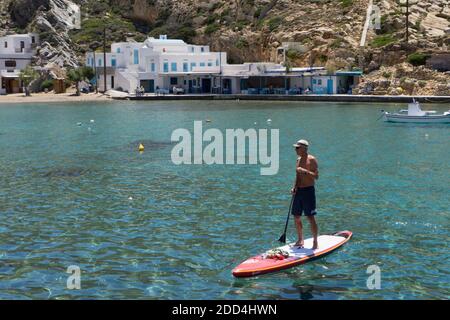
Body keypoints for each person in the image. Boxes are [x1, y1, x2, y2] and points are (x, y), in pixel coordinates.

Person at [291, 139, 319, 249]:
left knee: (310, 217)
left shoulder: (312, 160)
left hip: (308, 191)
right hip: (299, 191)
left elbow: (316, 177)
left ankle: (315, 241)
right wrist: (294, 187)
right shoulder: (298, 160)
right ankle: (300, 239)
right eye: (295, 148)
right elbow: (297, 176)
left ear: (304, 148)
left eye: (297, 148)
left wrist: (305, 171)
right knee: (296, 216)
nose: (295, 150)